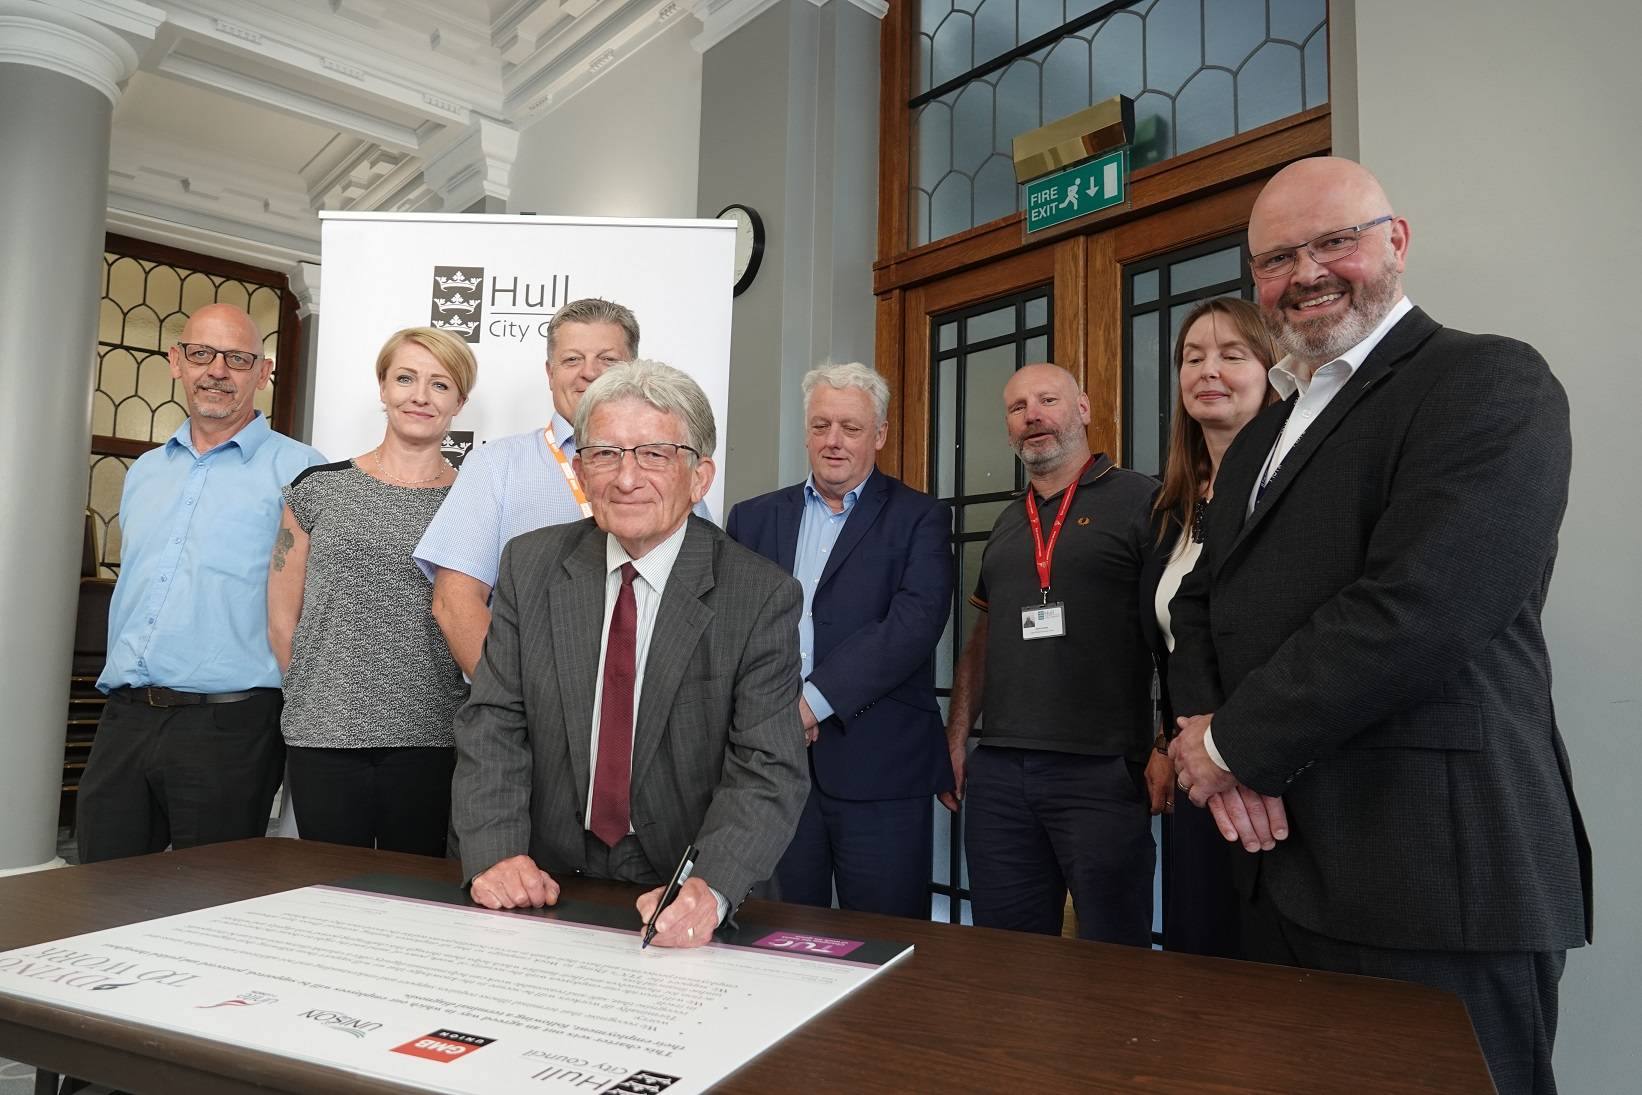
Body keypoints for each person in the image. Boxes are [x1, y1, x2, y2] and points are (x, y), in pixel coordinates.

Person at [1166, 157, 1591, 1095]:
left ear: (1396, 242)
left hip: (1434, 878)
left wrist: (1233, 744)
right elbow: (1201, 607)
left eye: (1335, 241)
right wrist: (1207, 739)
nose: (1306, 272)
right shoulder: (1267, 435)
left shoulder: (1488, 380)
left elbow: (1423, 607)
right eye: (1277, 258)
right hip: (1272, 867)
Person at [450, 360, 808, 947]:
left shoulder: (759, 595)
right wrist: (496, 853)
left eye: (654, 454)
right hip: (543, 877)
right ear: (582, 469)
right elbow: (494, 721)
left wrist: (709, 886)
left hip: (678, 880)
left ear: (700, 477)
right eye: (605, 454)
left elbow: (768, 767)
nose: (625, 478)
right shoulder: (530, 565)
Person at [76, 303, 324, 862]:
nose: (218, 370)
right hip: (125, 718)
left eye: (238, 358)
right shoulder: (146, 471)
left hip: (231, 726)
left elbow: (322, 606)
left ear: (263, 374)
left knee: (209, 904)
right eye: (202, 353)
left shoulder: (303, 472)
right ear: (176, 362)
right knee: (97, 894)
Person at [943, 363, 1166, 944]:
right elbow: (982, 638)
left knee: (1113, 956)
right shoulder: (1008, 523)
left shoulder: (1145, 501)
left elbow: (1178, 631)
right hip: (999, 775)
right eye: (1018, 408)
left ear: (1084, 409)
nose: (1033, 416)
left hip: (1101, 771)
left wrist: (1168, 739)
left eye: (1048, 400)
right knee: (1007, 956)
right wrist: (957, 738)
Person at [726, 363, 954, 918]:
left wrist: (809, 705)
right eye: (821, 425)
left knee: (885, 942)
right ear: (805, 431)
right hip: (772, 768)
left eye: (850, 428)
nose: (833, 441)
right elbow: (727, 628)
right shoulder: (751, 519)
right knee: (773, 937)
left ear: (877, 435)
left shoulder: (921, 517)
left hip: (881, 768)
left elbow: (914, 625)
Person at [266, 328, 477, 858]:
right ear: (383, 388)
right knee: (330, 891)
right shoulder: (318, 488)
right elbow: (281, 616)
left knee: (416, 897)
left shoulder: (474, 500)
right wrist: (320, 693)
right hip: (324, 734)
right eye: (405, 378)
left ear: (460, 401)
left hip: (432, 734)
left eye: (440, 384)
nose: (420, 396)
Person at [1140, 298, 1278, 957]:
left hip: (1266, 774)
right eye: (1193, 357)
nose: (1208, 369)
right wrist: (1170, 743)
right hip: (1196, 768)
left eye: (1231, 354)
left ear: (1271, 369)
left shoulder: (1291, 487)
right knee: (1199, 963)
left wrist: (1234, 746)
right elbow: (1169, 645)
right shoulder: (1173, 510)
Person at [414, 297, 638, 677]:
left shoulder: (668, 466)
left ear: (633, 370)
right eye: (572, 360)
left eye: (608, 360)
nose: (589, 373)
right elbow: (455, 602)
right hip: (533, 714)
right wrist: (514, 705)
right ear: (550, 373)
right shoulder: (495, 465)